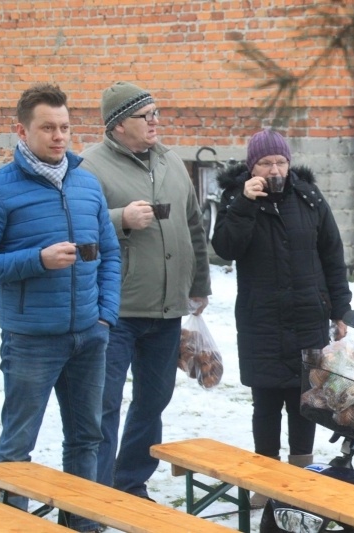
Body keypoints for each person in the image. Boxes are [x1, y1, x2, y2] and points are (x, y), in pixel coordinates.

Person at [0, 83, 120, 532]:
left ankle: (82, 525)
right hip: (31, 339)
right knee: (18, 444)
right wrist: (37, 260)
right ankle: (11, 525)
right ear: (22, 130)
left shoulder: (87, 183)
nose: (59, 137)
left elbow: (110, 253)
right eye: (48, 128)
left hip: (89, 336)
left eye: (66, 127)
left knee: (86, 439)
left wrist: (104, 315)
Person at [79, 81, 212, 500]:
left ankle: (130, 481)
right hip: (116, 310)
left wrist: (199, 285)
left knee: (154, 400)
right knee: (104, 404)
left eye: (157, 113)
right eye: (145, 115)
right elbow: (78, 234)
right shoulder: (89, 168)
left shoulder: (171, 161)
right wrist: (119, 219)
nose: (155, 121)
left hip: (168, 308)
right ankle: (97, 493)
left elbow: (193, 226)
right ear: (119, 125)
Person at [211, 129, 352, 506]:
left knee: (304, 400)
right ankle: (266, 481)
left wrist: (341, 310)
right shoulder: (236, 199)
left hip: (308, 314)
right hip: (262, 319)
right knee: (266, 401)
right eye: (266, 163)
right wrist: (244, 203)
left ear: (289, 163)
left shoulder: (308, 197)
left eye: (281, 162)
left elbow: (332, 256)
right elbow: (225, 248)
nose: (275, 170)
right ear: (251, 166)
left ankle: (299, 480)